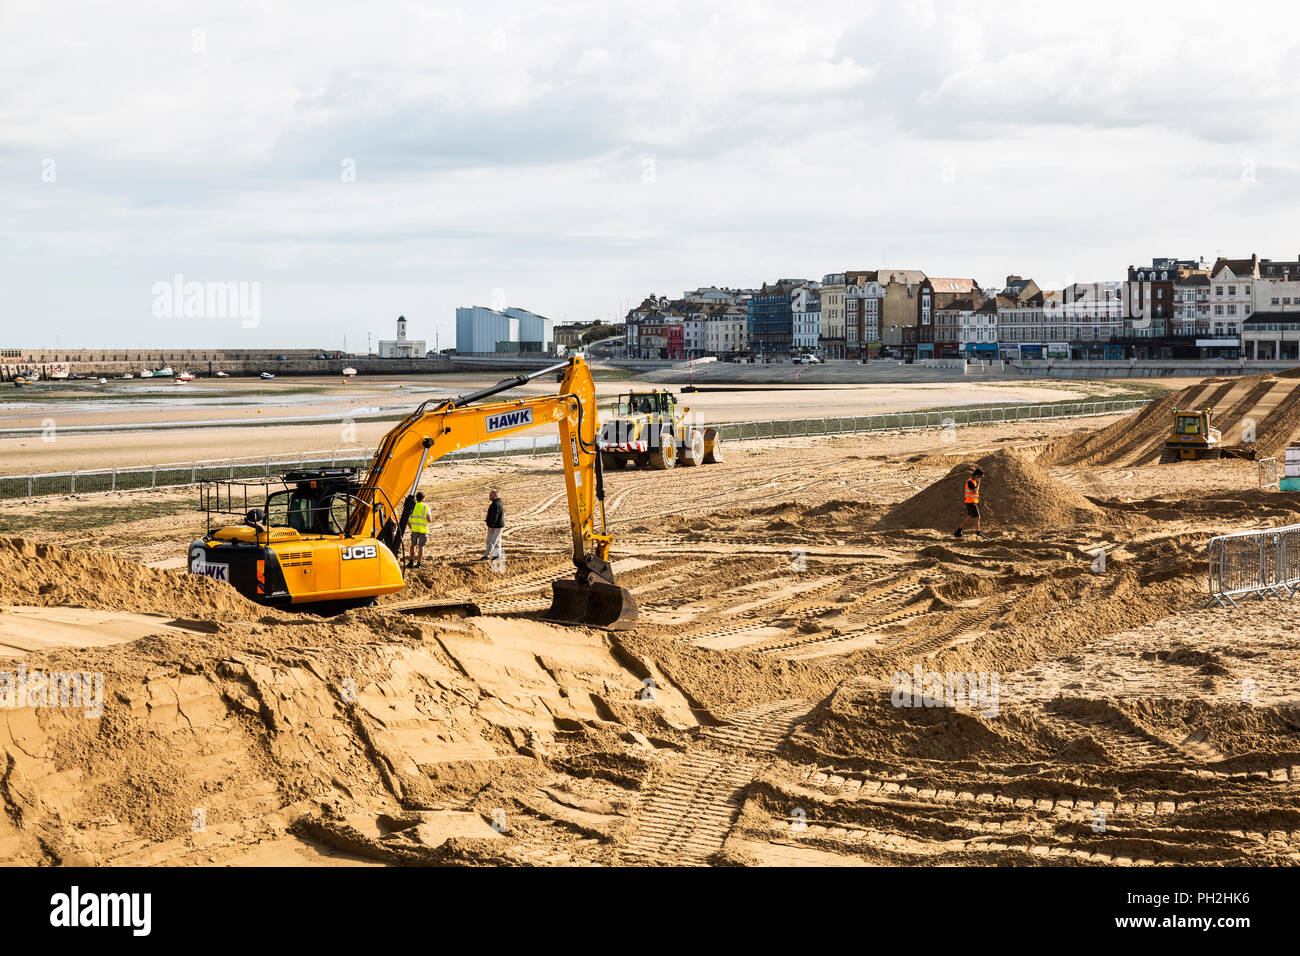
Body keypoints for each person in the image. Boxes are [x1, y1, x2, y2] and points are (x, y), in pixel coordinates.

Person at [955, 467, 985, 538]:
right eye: (980, 477)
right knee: (977, 517)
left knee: (970, 517)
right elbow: (974, 491)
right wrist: (978, 483)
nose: (980, 478)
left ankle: (958, 531)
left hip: (971, 501)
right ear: (977, 475)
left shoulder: (973, 481)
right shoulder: (970, 482)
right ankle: (978, 533)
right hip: (971, 502)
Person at [407, 491, 430, 568]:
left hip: (414, 529)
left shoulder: (412, 506)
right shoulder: (426, 507)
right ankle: (418, 564)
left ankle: (411, 562)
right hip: (423, 530)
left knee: (413, 545)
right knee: (421, 547)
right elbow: (430, 520)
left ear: (416, 498)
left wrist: (410, 526)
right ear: (423, 498)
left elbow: (407, 519)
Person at [482, 489, 505, 562]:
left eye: (491, 495)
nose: (489, 496)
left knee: (491, 541)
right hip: (498, 526)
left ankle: (487, 556)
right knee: (497, 541)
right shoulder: (496, 503)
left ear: (495, 496)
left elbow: (494, 517)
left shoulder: (496, 504)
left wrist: (490, 525)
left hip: (496, 526)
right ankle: (497, 555)